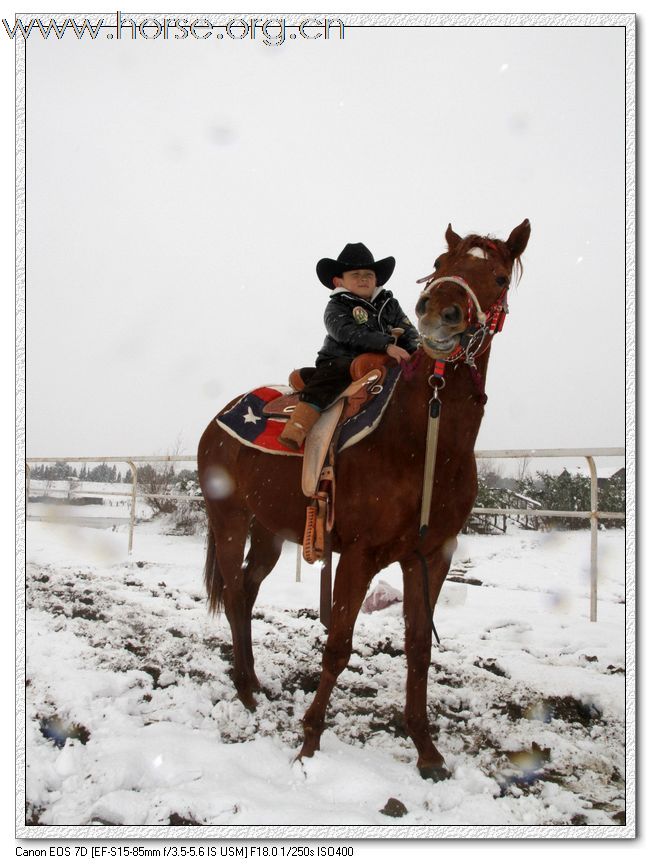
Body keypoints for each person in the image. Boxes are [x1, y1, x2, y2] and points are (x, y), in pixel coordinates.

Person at [279, 242, 420, 450]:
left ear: (376, 279)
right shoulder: (337, 305)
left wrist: (418, 351)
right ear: (339, 281)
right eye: (355, 274)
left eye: (368, 274)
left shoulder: (390, 304)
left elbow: (408, 331)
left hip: (384, 363)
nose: (363, 278)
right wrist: (387, 344)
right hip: (342, 358)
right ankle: (299, 425)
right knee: (332, 375)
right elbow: (346, 332)